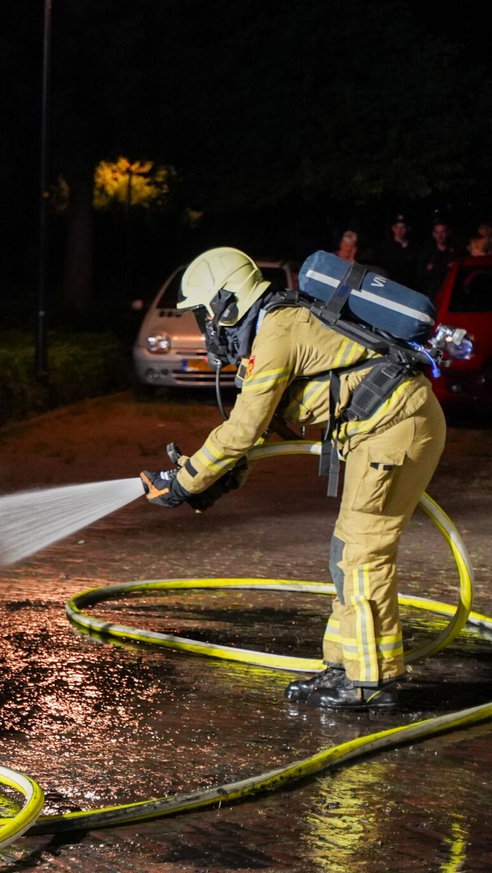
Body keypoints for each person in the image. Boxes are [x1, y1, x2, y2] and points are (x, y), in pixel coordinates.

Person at [139, 247, 446, 710]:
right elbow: (261, 429)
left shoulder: (278, 334)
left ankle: (372, 682)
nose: (207, 326)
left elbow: (242, 431)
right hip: (381, 432)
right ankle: (344, 667)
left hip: (395, 430)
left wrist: (185, 482)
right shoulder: (275, 325)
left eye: (204, 313)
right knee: (346, 552)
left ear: (226, 302)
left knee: (363, 554)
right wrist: (221, 480)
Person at [415, 220, 458, 299]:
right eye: (437, 232)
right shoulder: (427, 252)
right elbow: (421, 274)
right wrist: (445, 267)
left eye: (442, 232)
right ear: (433, 234)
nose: (440, 235)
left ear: (448, 233)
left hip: (449, 294)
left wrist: (434, 267)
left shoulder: (454, 252)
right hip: (431, 294)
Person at [376, 214, 415, 286]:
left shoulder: (413, 248)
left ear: (407, 229)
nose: (400, 230)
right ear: (393, 228)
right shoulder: (386, 247)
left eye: (403, 227)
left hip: (408, 286)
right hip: (390, 284)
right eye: (397, 227)